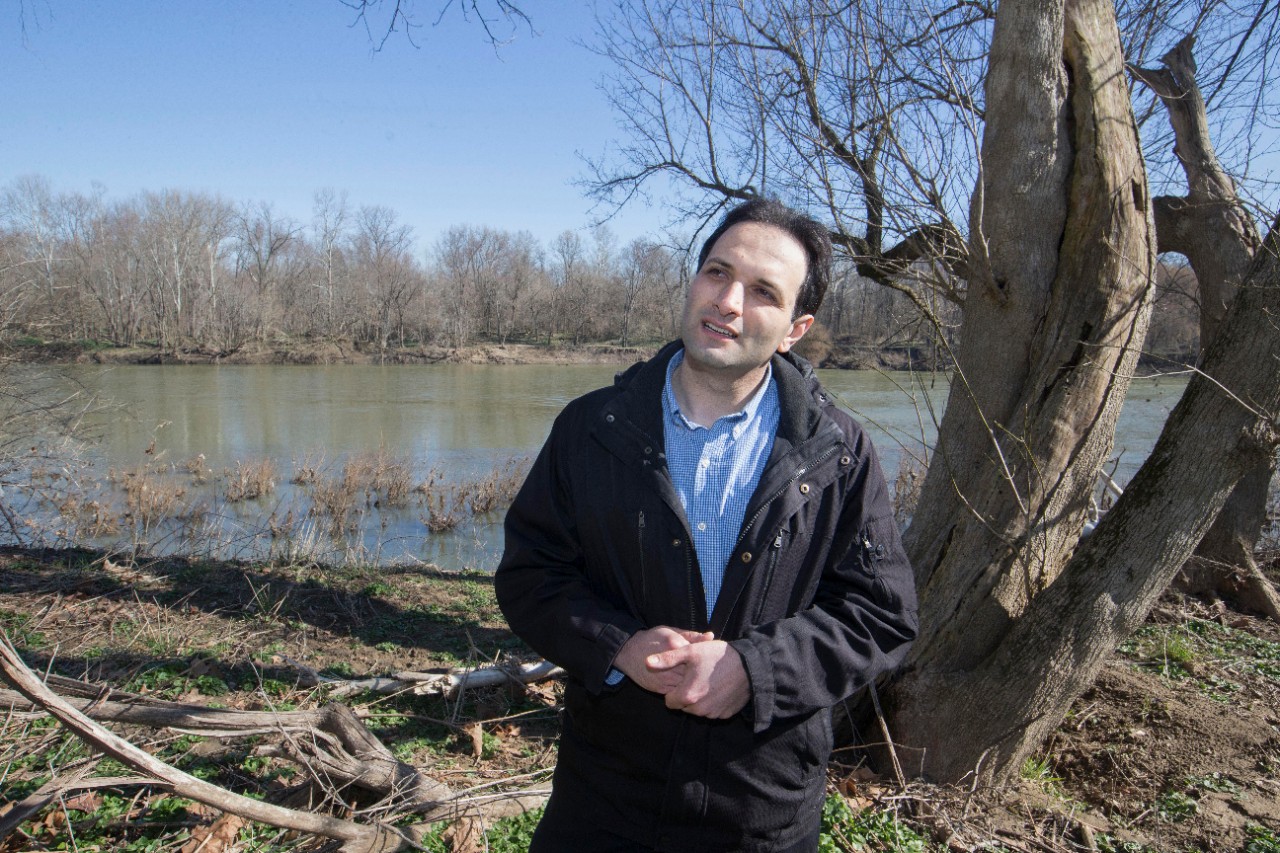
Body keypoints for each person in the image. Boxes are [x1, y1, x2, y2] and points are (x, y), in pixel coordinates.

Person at [494, 199, 918, 853]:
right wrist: (619, 645)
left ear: (793, 328)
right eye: (717, 273)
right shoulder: (590, 428)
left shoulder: (838, 450)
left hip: (759, 813)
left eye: (762, 292)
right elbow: (530, 576)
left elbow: (881, 614)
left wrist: (756, 669)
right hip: (603, 800)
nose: (727, 301)